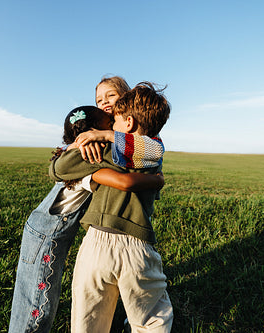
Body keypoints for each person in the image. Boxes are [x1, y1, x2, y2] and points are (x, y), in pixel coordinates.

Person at [8, 105, 165, 333]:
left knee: (37, 297)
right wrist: (156, 180)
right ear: (90, 133)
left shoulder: (89, 148)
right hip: (47, 232)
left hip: (47, 228)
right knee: (37, 303)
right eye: (108, 126)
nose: (111, 130)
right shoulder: (92, 153)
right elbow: (128, 174)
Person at [49, 82, 174, 332]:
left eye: (114, 121)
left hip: (96, 242)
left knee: (88, 318)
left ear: (127, 123)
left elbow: (59, 169)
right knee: (152, 319)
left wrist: (85, 147)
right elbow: (152, 150)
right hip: (138, 245)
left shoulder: (106, 150)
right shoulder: (151, 153)